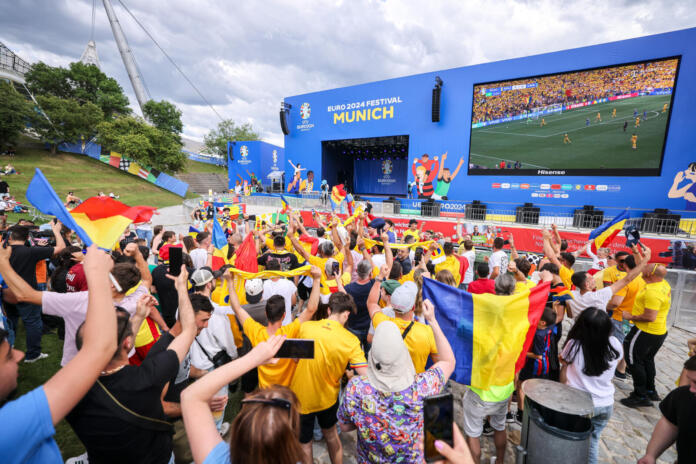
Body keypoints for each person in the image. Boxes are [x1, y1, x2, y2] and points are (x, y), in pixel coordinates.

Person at [0, 245, 117, 464]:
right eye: (7, 356)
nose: (19, 355)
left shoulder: (14, 421)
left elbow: (24, 295)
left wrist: (3, 263)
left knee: (92, 418)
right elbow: (103, 346)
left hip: (83, 367)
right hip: (98, 369)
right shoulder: (12, 425)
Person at [67, 271, 197, 464]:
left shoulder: (70, 391)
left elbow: (120, 345)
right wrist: (181, 288)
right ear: (128, 343)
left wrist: (138, 316)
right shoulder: (148, 378)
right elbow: (189, 329)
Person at [338, 298, 457, 463]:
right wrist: (432, 321)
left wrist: (366, 420)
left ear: (372, 357)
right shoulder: (423, 386)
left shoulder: (356, 388)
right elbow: (449, 361)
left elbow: (344, 426)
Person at [182, 335, 300, 464]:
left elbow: (191, 396)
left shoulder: (218, 460)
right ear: (291, 442)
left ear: (239, 432)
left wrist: (253, 358)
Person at [289, 292, 368, 464]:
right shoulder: (351, 341)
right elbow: (366, 375)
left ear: (329, 310)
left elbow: (294, 359)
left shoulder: (306, 328)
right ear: (346, 315)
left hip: (301, 397)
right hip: (328, 399)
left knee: (305, 444)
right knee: (332, 436)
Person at [226, 266, 320, 389]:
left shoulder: (256, 332)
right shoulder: (290, 331)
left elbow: (237, 309)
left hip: (266, 391)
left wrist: (229, 282)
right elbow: (311, 309)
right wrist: (316, 280)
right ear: (284, 315)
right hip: (286, 391)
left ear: (266, 313)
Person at [560, 307, 623, 464]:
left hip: (579, 404)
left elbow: (563, 373)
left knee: (569, 442)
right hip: (605, 404)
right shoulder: (615, 344)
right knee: (592, 441)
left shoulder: (574, 345)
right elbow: (616, 365)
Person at [7, 223, 66, 362]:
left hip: (7, 292)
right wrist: (56, 231)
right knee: (32, 322)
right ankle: (33, 355)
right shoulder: (30, 251)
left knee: (10, 320)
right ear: (27, 237)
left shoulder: (4, 251)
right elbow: (61, 248)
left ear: (10, 237)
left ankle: (8, 349)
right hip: (27, 293)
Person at [621, 263, 672, 408]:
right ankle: (650, 391)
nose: (642, 269)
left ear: (650, 274)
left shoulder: (653, 292)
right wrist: (641, 255)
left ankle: (640, 396)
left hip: (644, 331)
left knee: (633, 361)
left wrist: (630, 316)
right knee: (647, 360)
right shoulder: (663, 283)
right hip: (659, 332)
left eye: (646, 268)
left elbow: (650, 317)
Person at [367, 268, 438, 373]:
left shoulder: (381, 322)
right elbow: (441, 363)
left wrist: (379, 278)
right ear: (413, 307)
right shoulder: (427, 332)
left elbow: (371, 303)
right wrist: (432, 320)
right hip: (413, 380)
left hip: (387, 379)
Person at [637, 355, 696, 464]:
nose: (691, 389)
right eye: (690, 380)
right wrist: (651, 455)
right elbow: (670, 424)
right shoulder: (683, 395)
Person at [565, 245, 648, 319]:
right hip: (610, 322)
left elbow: (570, 315)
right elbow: (627, 279)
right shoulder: (600, 295)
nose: (594, 278)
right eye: (591, 278)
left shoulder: (571, 295)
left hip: (577, 328)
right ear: (587, 284)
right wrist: (646, 259)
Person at [516, 305, 558, 422]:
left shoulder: (538, 334)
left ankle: (521, 413)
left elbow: (538, 355)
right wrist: (554, 308)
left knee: (520, 386)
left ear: (543, 322)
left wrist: (520, 352)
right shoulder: (550, 327)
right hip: (545, 366)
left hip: (534, 366)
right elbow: (555, 318)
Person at [260, 260, 298, 325]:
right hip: (286, 323)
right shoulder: (289, 283)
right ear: (280, 269)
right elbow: (294, 302)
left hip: (271, 324)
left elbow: (261, 302)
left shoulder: (263, 285)